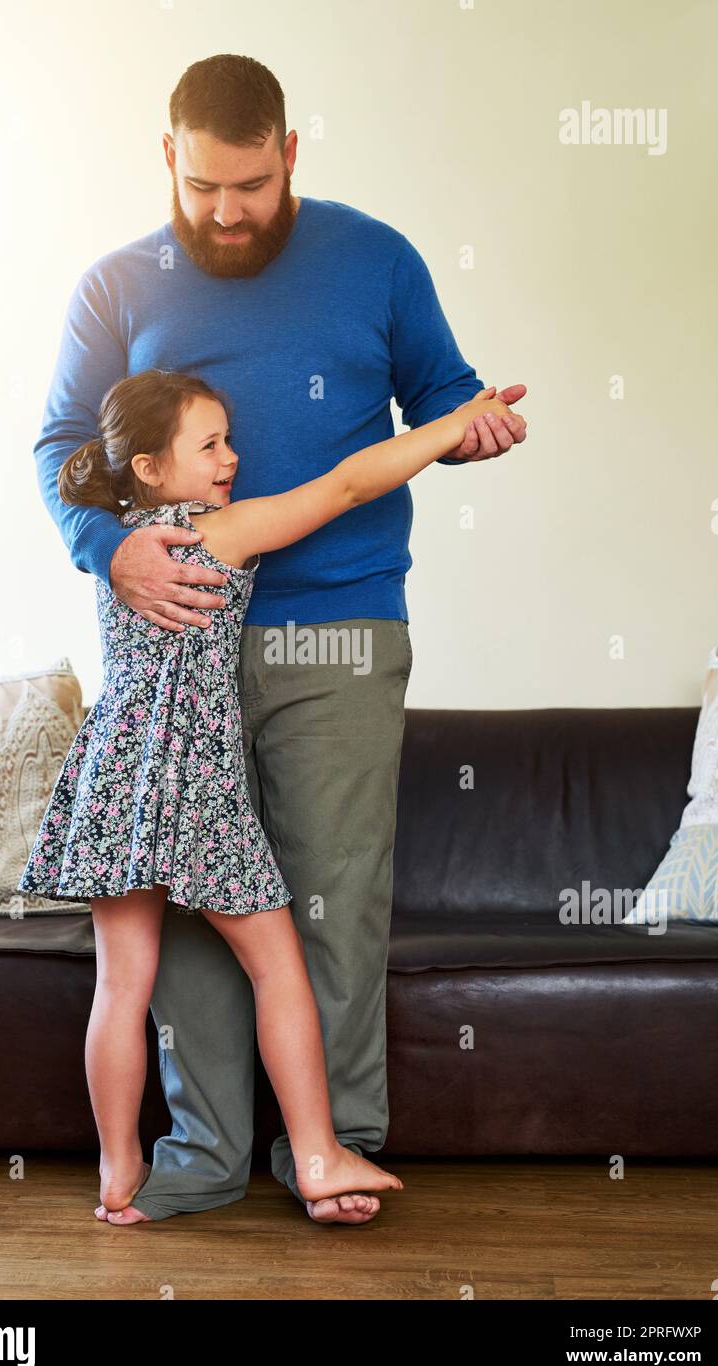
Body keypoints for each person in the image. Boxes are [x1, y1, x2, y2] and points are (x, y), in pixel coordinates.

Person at [33, 53, 528, 1225]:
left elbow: (440, 407)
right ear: (169, 157)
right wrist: (113, 552)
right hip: (176, 655)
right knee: (198, 922)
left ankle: (335, 1145)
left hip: (341, 626)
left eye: (250, 185)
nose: (226, 211)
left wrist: (475, 429)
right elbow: (62, 445)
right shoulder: (114, 286)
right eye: (204, 184)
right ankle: (201, 1153)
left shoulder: (377, 258)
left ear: (291, 154)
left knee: (329, 898)